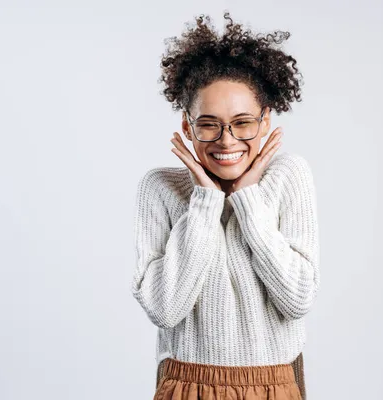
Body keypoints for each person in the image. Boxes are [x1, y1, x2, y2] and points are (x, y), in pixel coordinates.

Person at [131, 11, 320, 400]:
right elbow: (166, 309)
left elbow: (298, 298)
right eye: (209, 124)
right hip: (186, 385)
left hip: (274, 385)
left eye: (243, 122)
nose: (227, 140)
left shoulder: (288, 176)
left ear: (265, 121)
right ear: (187, 126)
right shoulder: (160, 187)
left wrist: (248, 196)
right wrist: (205, 200)